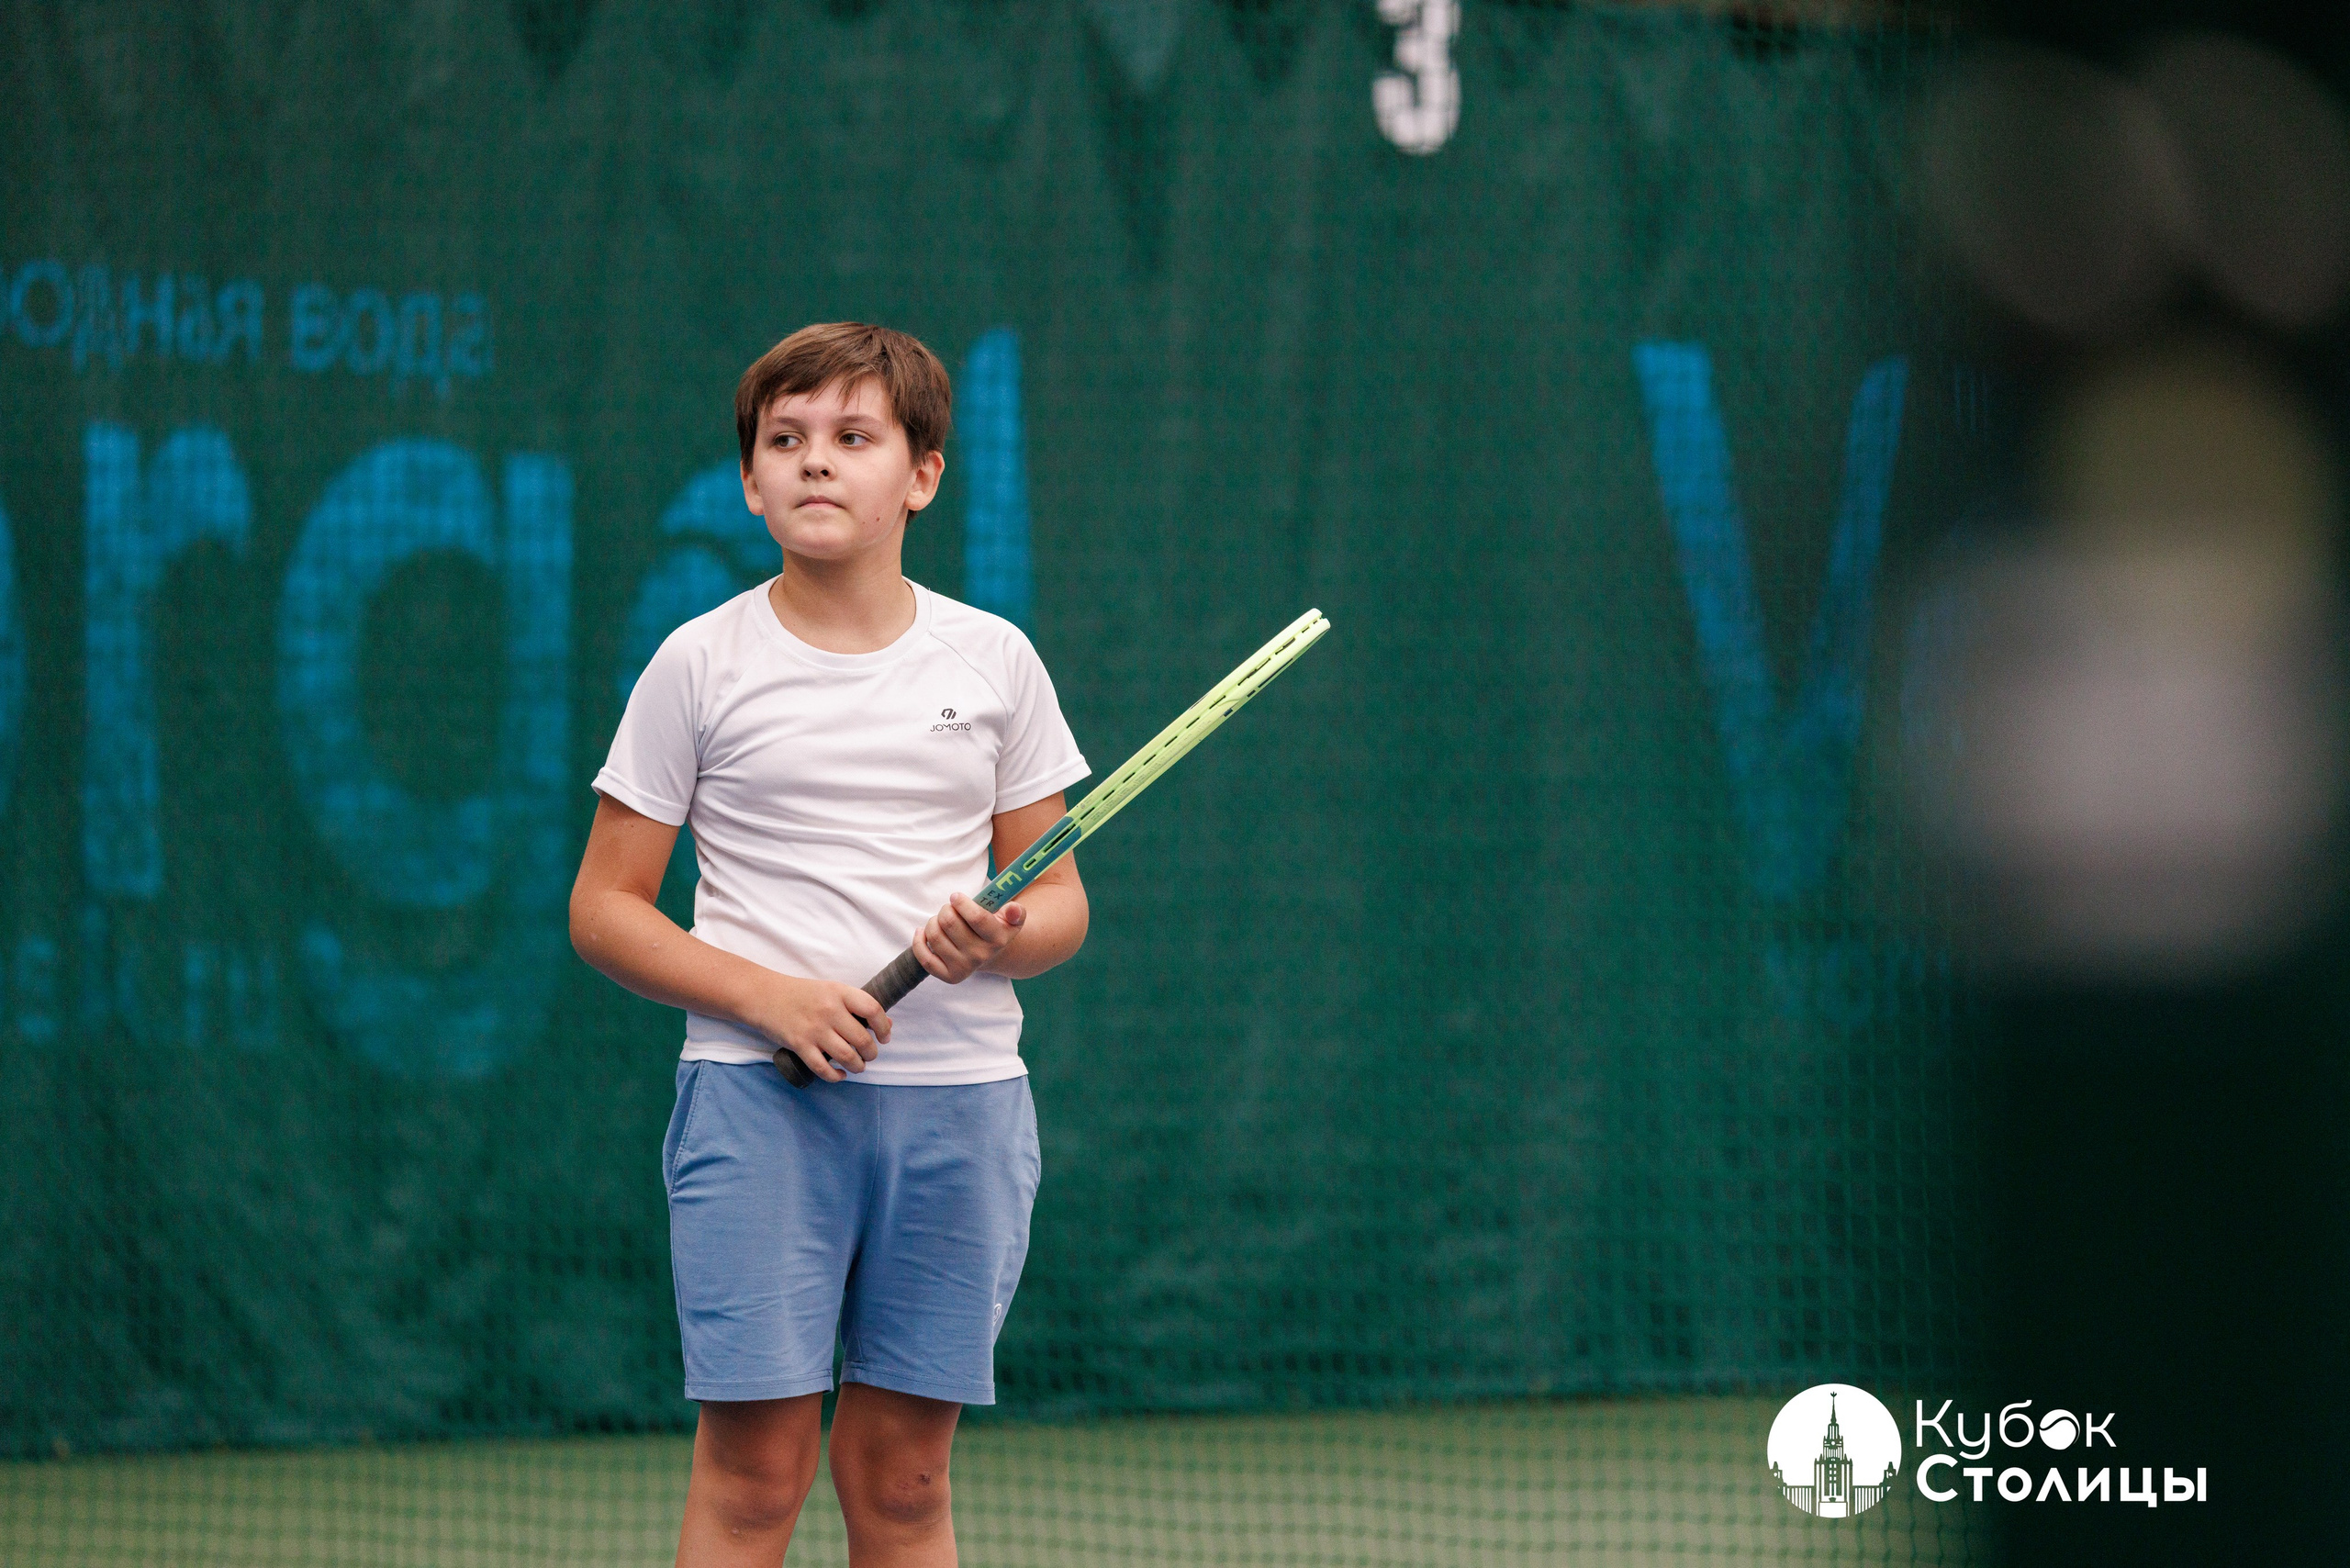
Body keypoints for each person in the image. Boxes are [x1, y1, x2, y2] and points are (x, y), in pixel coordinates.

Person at [568, 321, 1091, 1567]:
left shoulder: (996, 662)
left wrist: (1002, 934)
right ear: (749, 482)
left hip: (961, 1110)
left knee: (904, 1485)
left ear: (920, 474)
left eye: (854, 438)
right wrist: (775, 1002)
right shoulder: (697, 665)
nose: (815, 463)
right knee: (754, 1480)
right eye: (785, 441)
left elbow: (1060, 907)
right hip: (758, 1104)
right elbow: (606, 907)